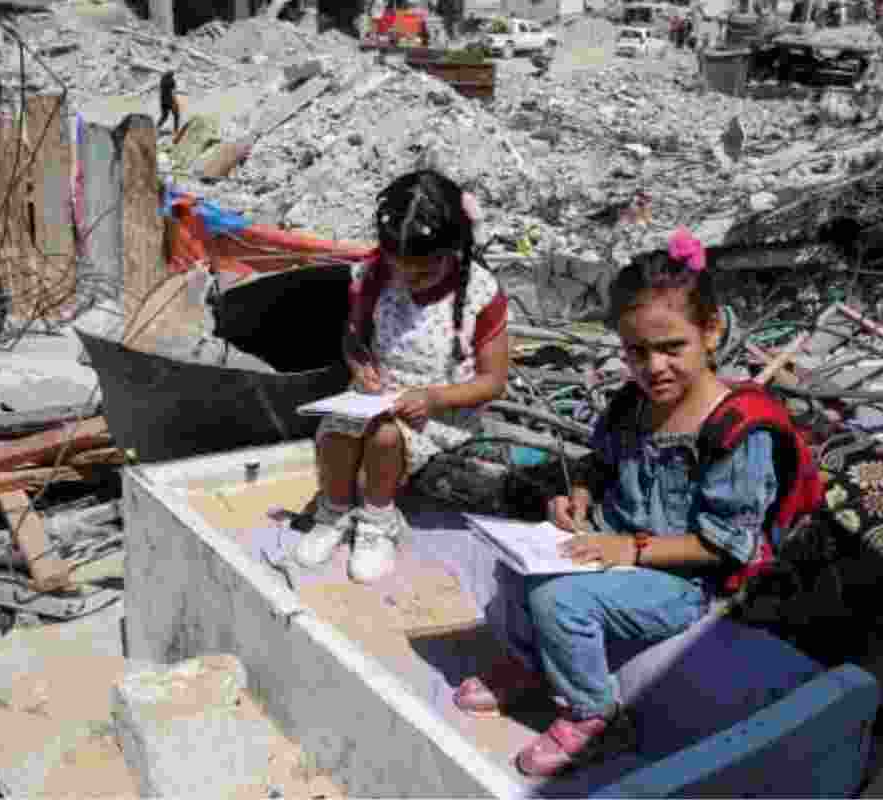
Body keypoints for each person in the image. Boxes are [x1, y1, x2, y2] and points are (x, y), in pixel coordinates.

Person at [451, 230, 814, 777]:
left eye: (672, 348)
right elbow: (601, 464)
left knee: (561, 601)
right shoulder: (633, 403)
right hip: (618, 542)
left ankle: (594, 713)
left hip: (682, 579)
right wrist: (578, 498)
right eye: (637, 352)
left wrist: (630, 549)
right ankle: (531, 666)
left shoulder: (738, 430)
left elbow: (725, 545)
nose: (655, 366)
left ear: (710, 332)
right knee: (520, 564)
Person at [291, 170, 511, 583]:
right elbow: (353, 340)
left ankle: (378, 520)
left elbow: (492, 380)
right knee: (337, 430)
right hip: (377, 397)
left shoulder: (480, 293)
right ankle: (334, 510)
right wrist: (360, 368)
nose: (409, 282)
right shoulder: (372, 276)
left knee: (384, 437)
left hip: (438, 413)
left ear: (454, 249)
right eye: (400, 270)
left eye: (423, 274)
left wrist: (433, 398)